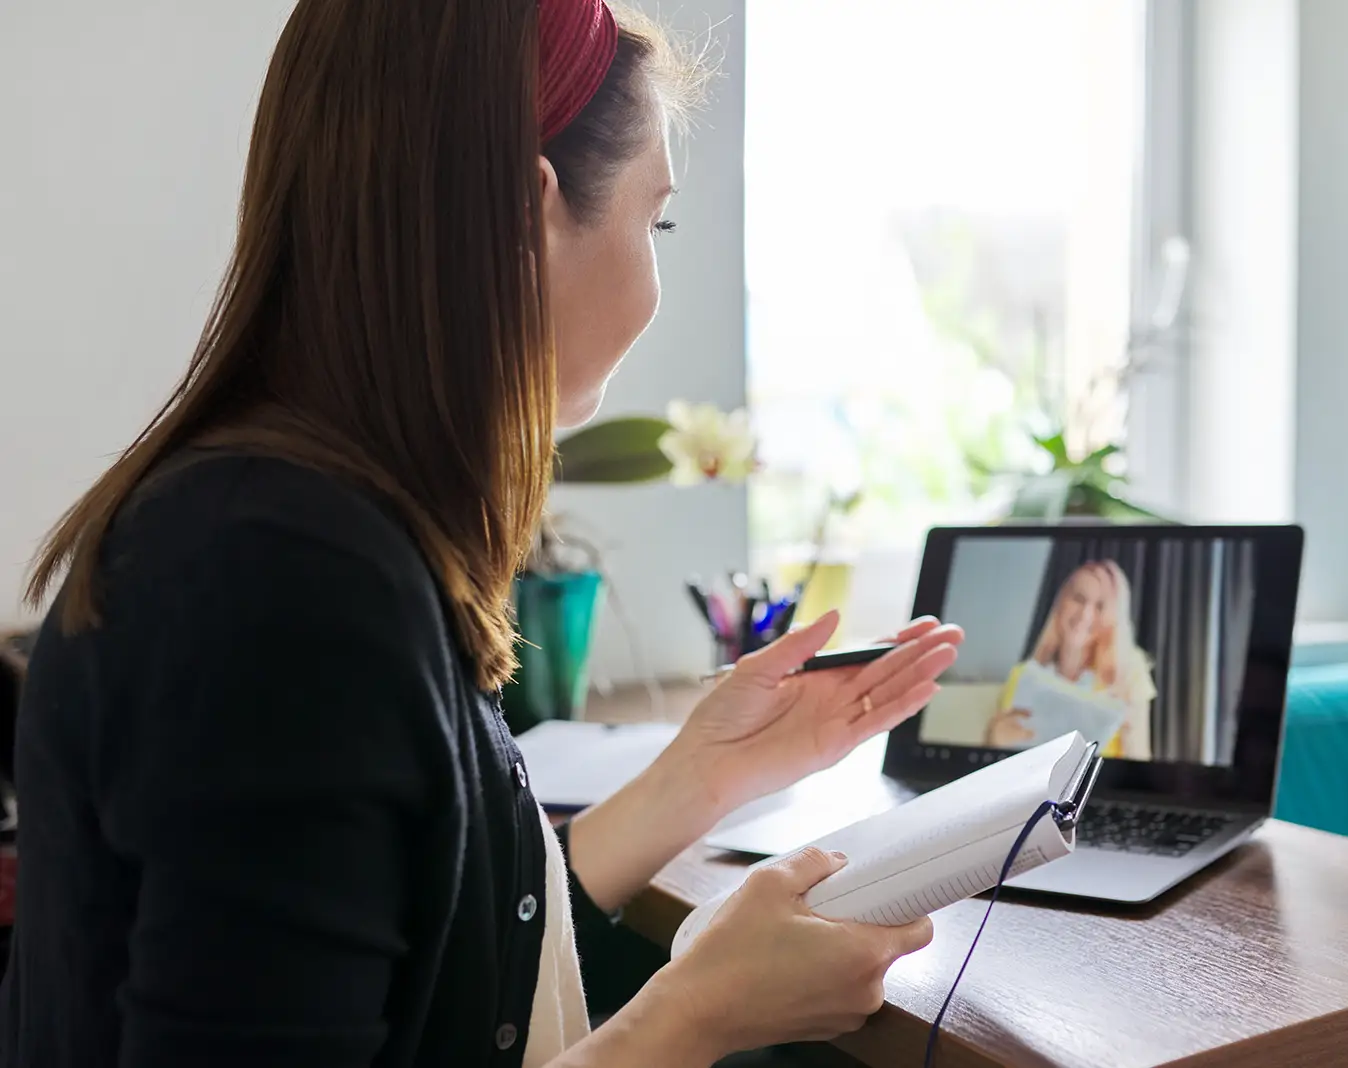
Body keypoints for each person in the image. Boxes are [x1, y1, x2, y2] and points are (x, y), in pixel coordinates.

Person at [0, 2, 967, 1065]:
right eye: (658, 222)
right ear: (528, 213)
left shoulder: (303, 528)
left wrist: (704, 776)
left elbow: (435, 923)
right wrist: (698, 1013)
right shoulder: (278, 588)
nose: (654, 272)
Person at [984, 560, 1155, 759]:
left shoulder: (1129, 673)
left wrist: (1130, 727)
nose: (1085, 614)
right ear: (1061, 603)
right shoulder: (1022, 674)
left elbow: (1140, 763)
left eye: (1100, 606)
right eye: (1079, 599)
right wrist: (993, 739)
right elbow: (993, 763)